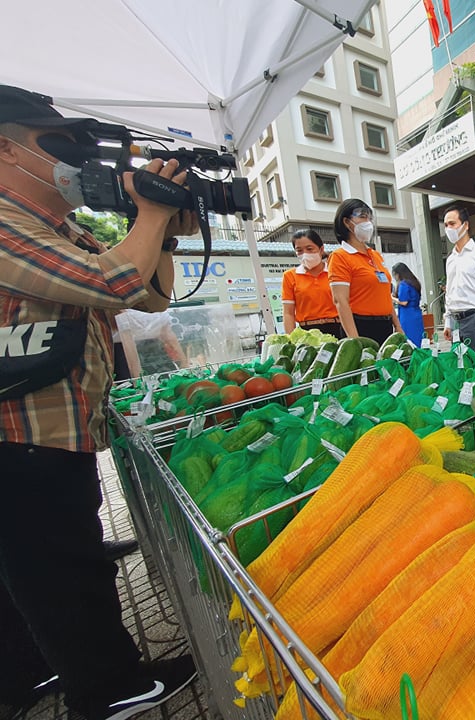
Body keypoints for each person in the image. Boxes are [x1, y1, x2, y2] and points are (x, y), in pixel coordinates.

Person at [0, 85, 198, 720]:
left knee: (47, 567)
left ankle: (38, 674)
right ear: (6, 148)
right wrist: (150, 211)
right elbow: (110, 283)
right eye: (53, 144)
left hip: (54, 430)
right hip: (19, 436)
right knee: (62, 573)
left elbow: (151, 296)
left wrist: (163, 224)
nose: (74, 159)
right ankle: (106, 690)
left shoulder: (59, 227)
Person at [327, 199, 402, 344]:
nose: (368, 222)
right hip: (360, 326)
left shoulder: (375, 255)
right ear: (347, 222)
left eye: (369, 217)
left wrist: (398, 326)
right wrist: (355, 341)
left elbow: (385, 295)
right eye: (362, 216)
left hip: (385, 325)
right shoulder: (340, 257)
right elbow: (341, 301)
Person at [281, 228, 343, 338]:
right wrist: (291, 339)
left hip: (338, 328)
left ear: (321, 249)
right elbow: (288, 313)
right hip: (307, 333)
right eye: (299, 250)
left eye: (309, 249)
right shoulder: (290, 276)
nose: (305, 254)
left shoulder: (335, 271)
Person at [441, 205, 475, 349]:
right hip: (455, 321)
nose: (449, 228)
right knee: (460, 366)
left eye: (453, 224)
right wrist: (448, 322)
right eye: (446, 225)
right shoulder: (451, 259)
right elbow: (449, 292)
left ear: (465, 225)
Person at [392, 262, 426, 343]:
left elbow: (404, 302)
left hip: (407, 315)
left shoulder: (403, 284)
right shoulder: (414, 282)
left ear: (398, 274)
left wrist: (392, 298)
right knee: (418, 338)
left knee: (408, 338)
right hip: (416, 313)